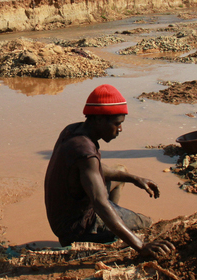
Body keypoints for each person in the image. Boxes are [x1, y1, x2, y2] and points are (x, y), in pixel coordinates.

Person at [44, 84, 174, 258]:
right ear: (98, 119)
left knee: (121, 171)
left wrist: (134, 178)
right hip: (76, 229)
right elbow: (100, 204)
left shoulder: (72, 131)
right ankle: (108, 229)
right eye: (117, 124)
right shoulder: (85, 152)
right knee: (147, 224)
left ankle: (114, 221)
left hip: (66, 215)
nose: (120, 130)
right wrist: (141, 246)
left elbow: (94, 170)